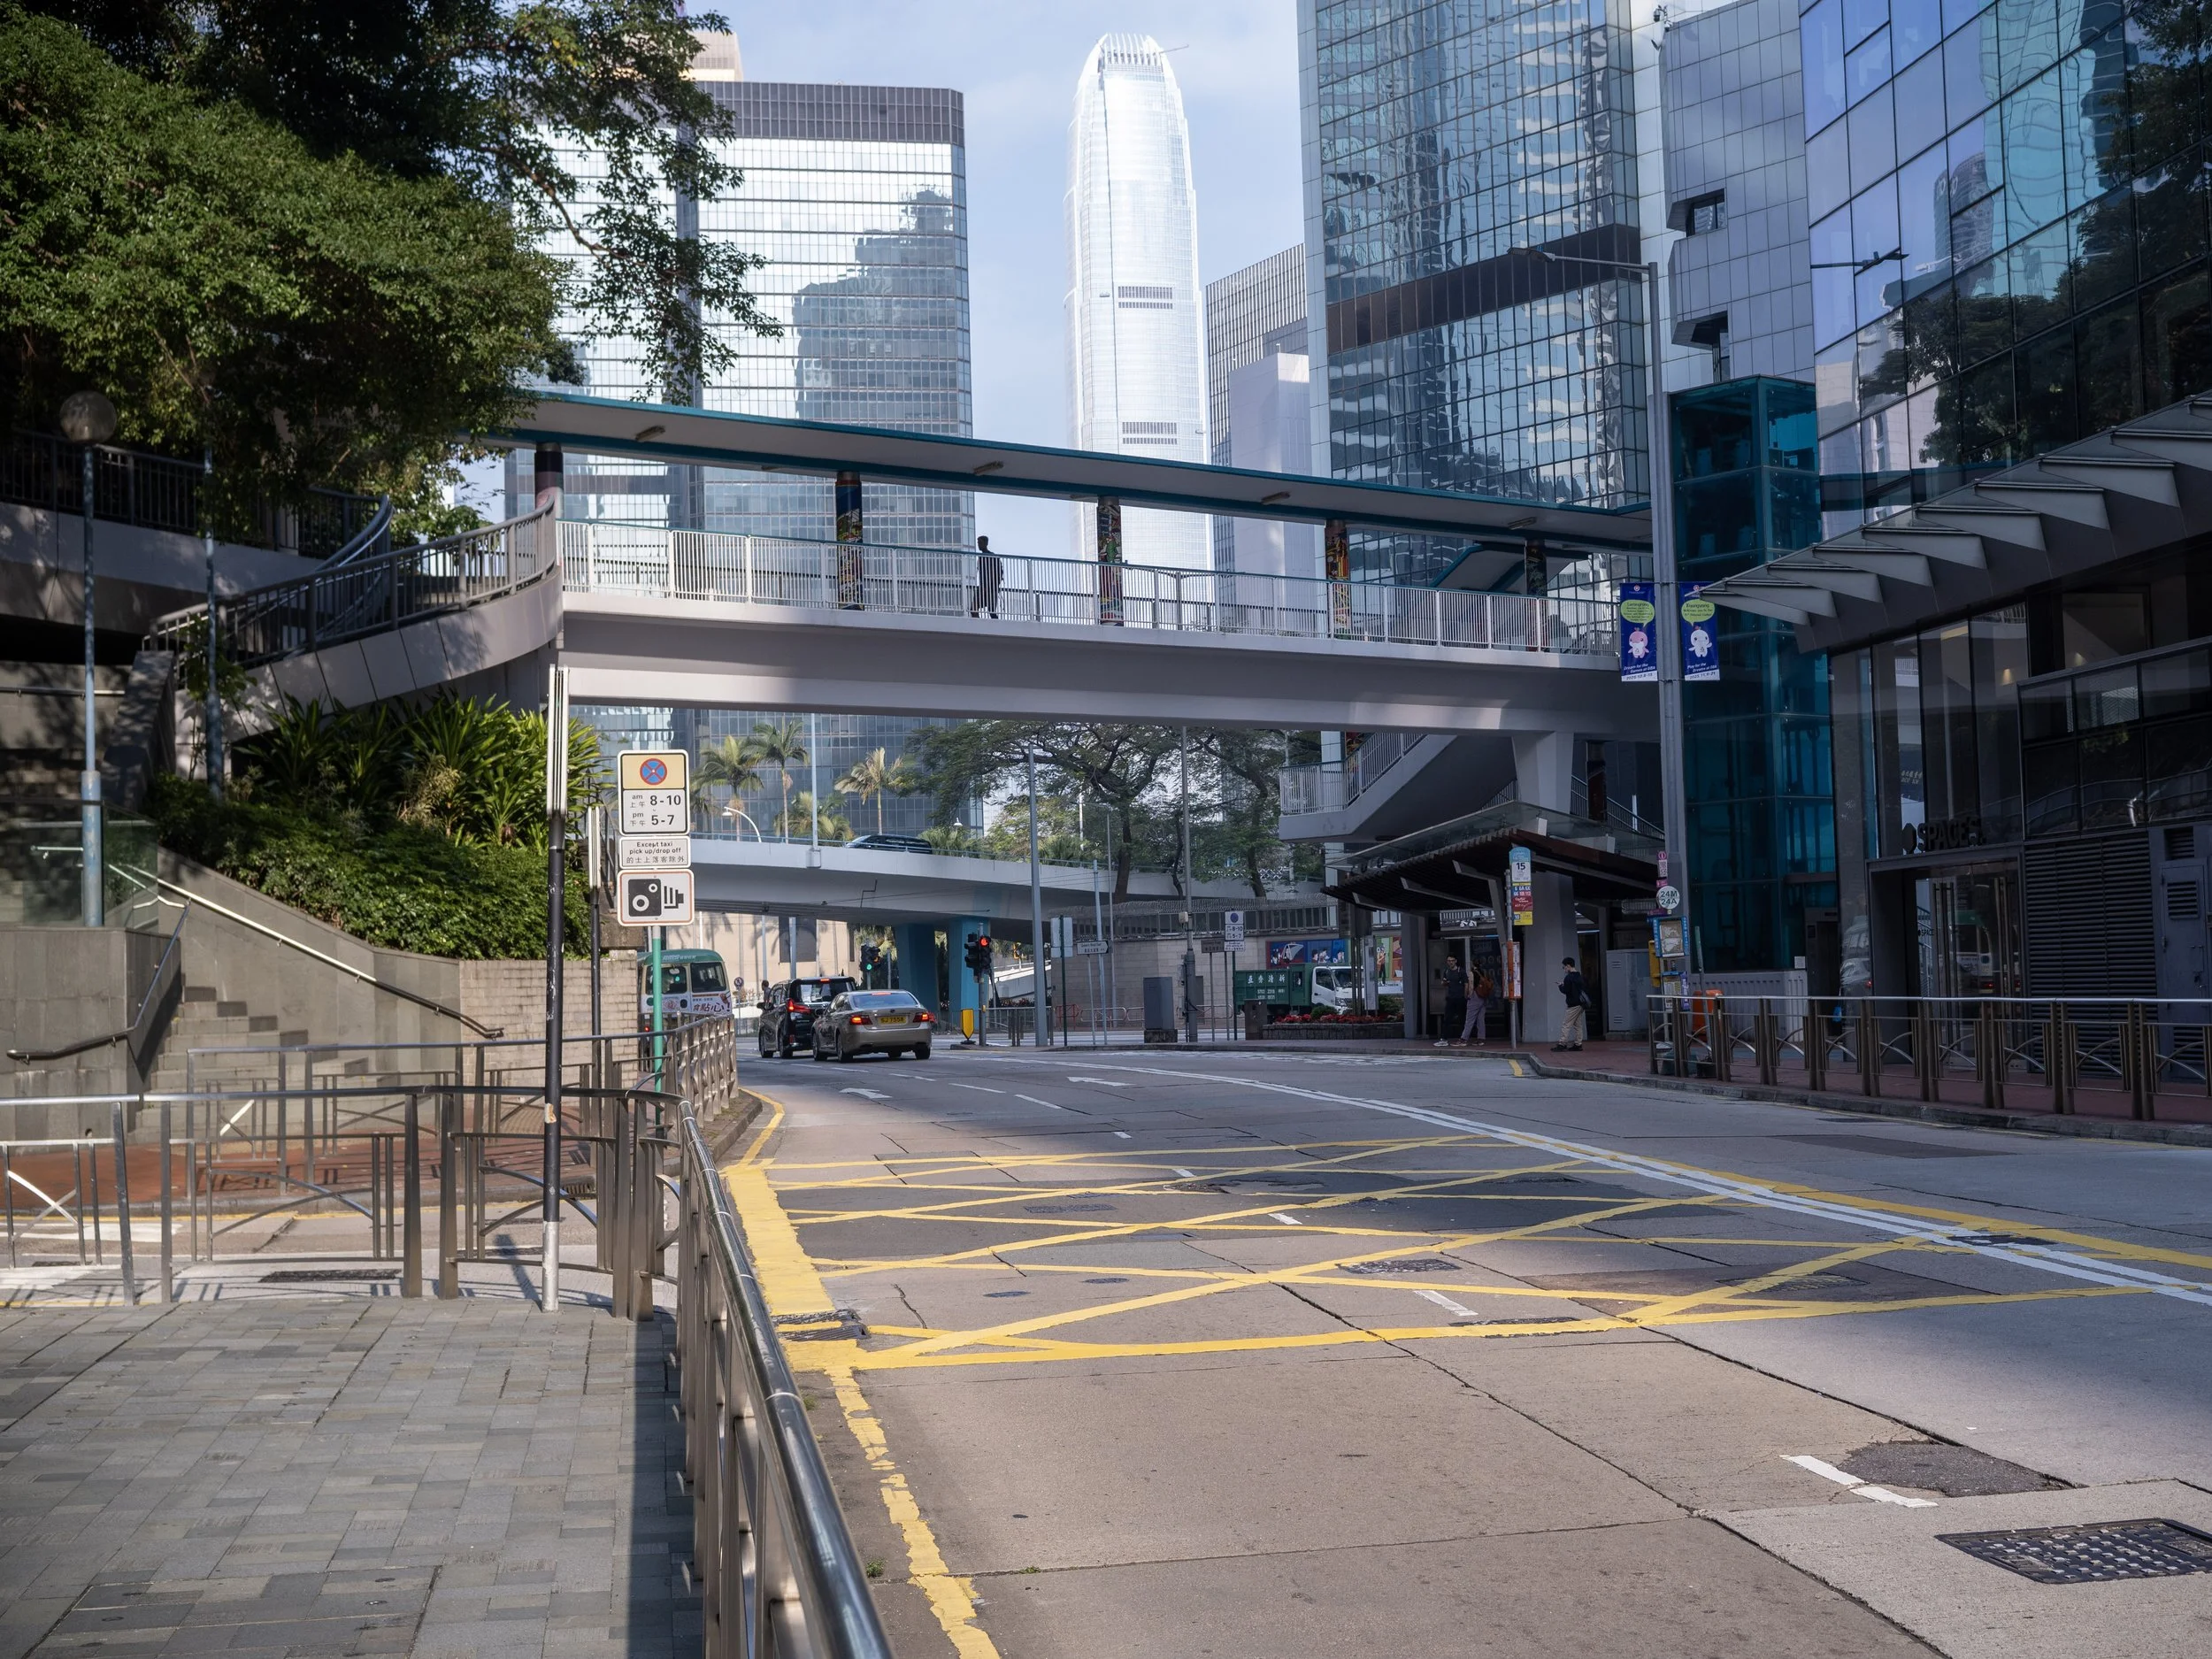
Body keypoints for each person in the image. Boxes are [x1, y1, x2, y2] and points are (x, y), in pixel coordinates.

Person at [1555, 956, 1590, 1050]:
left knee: (1566, 1024)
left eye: (1564, 967)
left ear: (1568, 966)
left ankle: (1562, 1044)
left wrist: (1560, 986)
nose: (1564, 969)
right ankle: (1578, 1044)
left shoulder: (1568, 978)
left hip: (1573, 1005)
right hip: (1581, 1004)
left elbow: (1566, 990)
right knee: (1578, 1025)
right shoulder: (1579, 976)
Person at [1437, 954, 1468, 1048]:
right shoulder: (1446, 971)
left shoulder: (1461, 971)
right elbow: (1443, 983)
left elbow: (1466, 984)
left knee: (1461, 1019)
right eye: (1449, 961)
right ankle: (1444, 1038)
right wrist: (1445, 982)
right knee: (1447, 1018)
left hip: (1460, 998)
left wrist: (1465, 996)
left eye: (1452, 960)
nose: (1450, 962)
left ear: (1456, 961)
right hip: (1451, 997)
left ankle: (1462, 1038)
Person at [1459, 966, 1494, 1046]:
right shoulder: (1483, 972)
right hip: (1483, 997)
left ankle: (1464, 1039)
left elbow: (1471, 986)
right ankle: (1481, 1039)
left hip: (1475, 996)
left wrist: (1468, 996)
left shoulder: (1472, 973)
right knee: (1480, 1019)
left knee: (1469, 1019)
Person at [972, 534, 1003, 618]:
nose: (979, 545)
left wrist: (987, 586)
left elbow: (993, 572)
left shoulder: (991, 556)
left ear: (986, 543)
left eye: (980, 543)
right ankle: (978, 624)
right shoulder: (981, 557)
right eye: (978, 543)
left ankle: (995, 625)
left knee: (991, 611)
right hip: (985, 587)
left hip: (990, 588)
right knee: (974, 608)